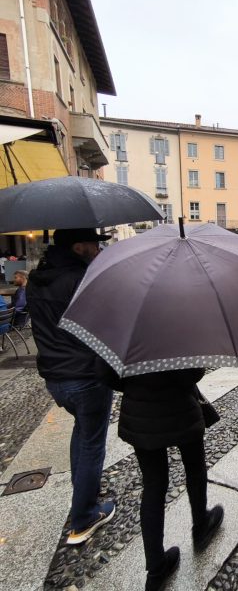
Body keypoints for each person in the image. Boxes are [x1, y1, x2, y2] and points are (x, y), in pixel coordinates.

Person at [27, 228, 116, 545]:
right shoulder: (81, 281)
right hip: (86, 376)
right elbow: (104, 323)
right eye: (94, 243)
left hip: (56, 379)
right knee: (92, 443)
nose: (98, 247)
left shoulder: (38, 280)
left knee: (83, 435)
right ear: (79, 247)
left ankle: (84, 495)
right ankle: (85, 517)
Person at [112, 368, 224, 590]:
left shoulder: (120, 333)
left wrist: (136, 385)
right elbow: (192, 372)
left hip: (140, 411)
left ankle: (156, 571)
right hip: (180, 407)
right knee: (194, 467)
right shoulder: (179, 332)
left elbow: (105, 373)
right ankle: (201, 525)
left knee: (153, 485)